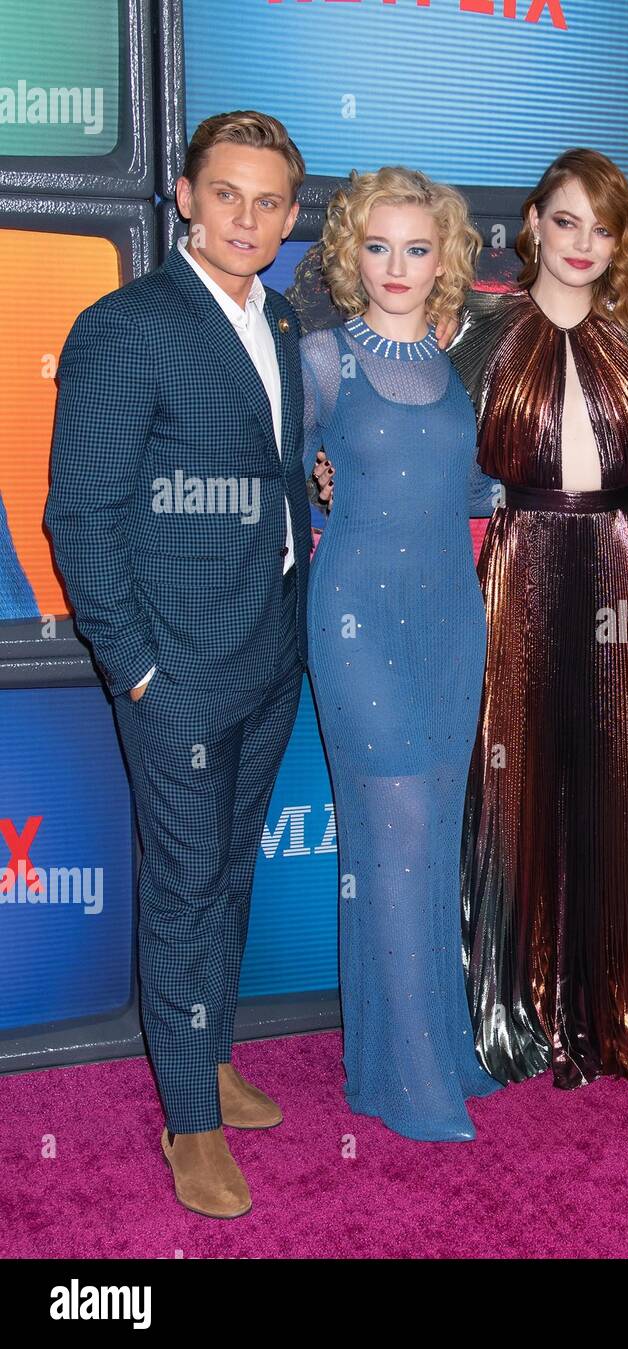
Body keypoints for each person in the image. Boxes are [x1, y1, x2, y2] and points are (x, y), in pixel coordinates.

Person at [45, 110, 313, 1219]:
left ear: (293, 215)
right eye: (227, 194)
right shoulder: (126, 325)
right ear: (183, 197)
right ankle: (187, 1122)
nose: (247, 218)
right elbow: (80, 520)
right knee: (184, 890)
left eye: (270, 201)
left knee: (234, 876)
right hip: (182, 671)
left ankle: (209, 1063)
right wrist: (143, 672)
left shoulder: (285, 317)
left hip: (273, 644)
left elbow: (263, 462)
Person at [448, 148, 628, 1089]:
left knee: (624, 781)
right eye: (567, 220)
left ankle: (608, 998)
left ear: (620, 240)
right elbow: (418, 448)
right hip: (518, 567)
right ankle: (514, 1005)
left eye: (603, 226)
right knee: (516, 781)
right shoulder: (481, 333)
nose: (583, 243)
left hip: (623, 568)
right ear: (533, 222)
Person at [289, 167, 504, 1139]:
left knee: (433, 836)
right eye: (377, 245)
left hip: (450, 624)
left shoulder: (462, 368)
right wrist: (321, 484)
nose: (396, 266)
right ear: (349, 251)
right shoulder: (323, 358)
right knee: (397, 834)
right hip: (356, 624)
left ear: (445, 258)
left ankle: (431, 1048)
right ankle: (406, 1076)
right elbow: (284, 485)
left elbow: (462, 493)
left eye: (417, 247)